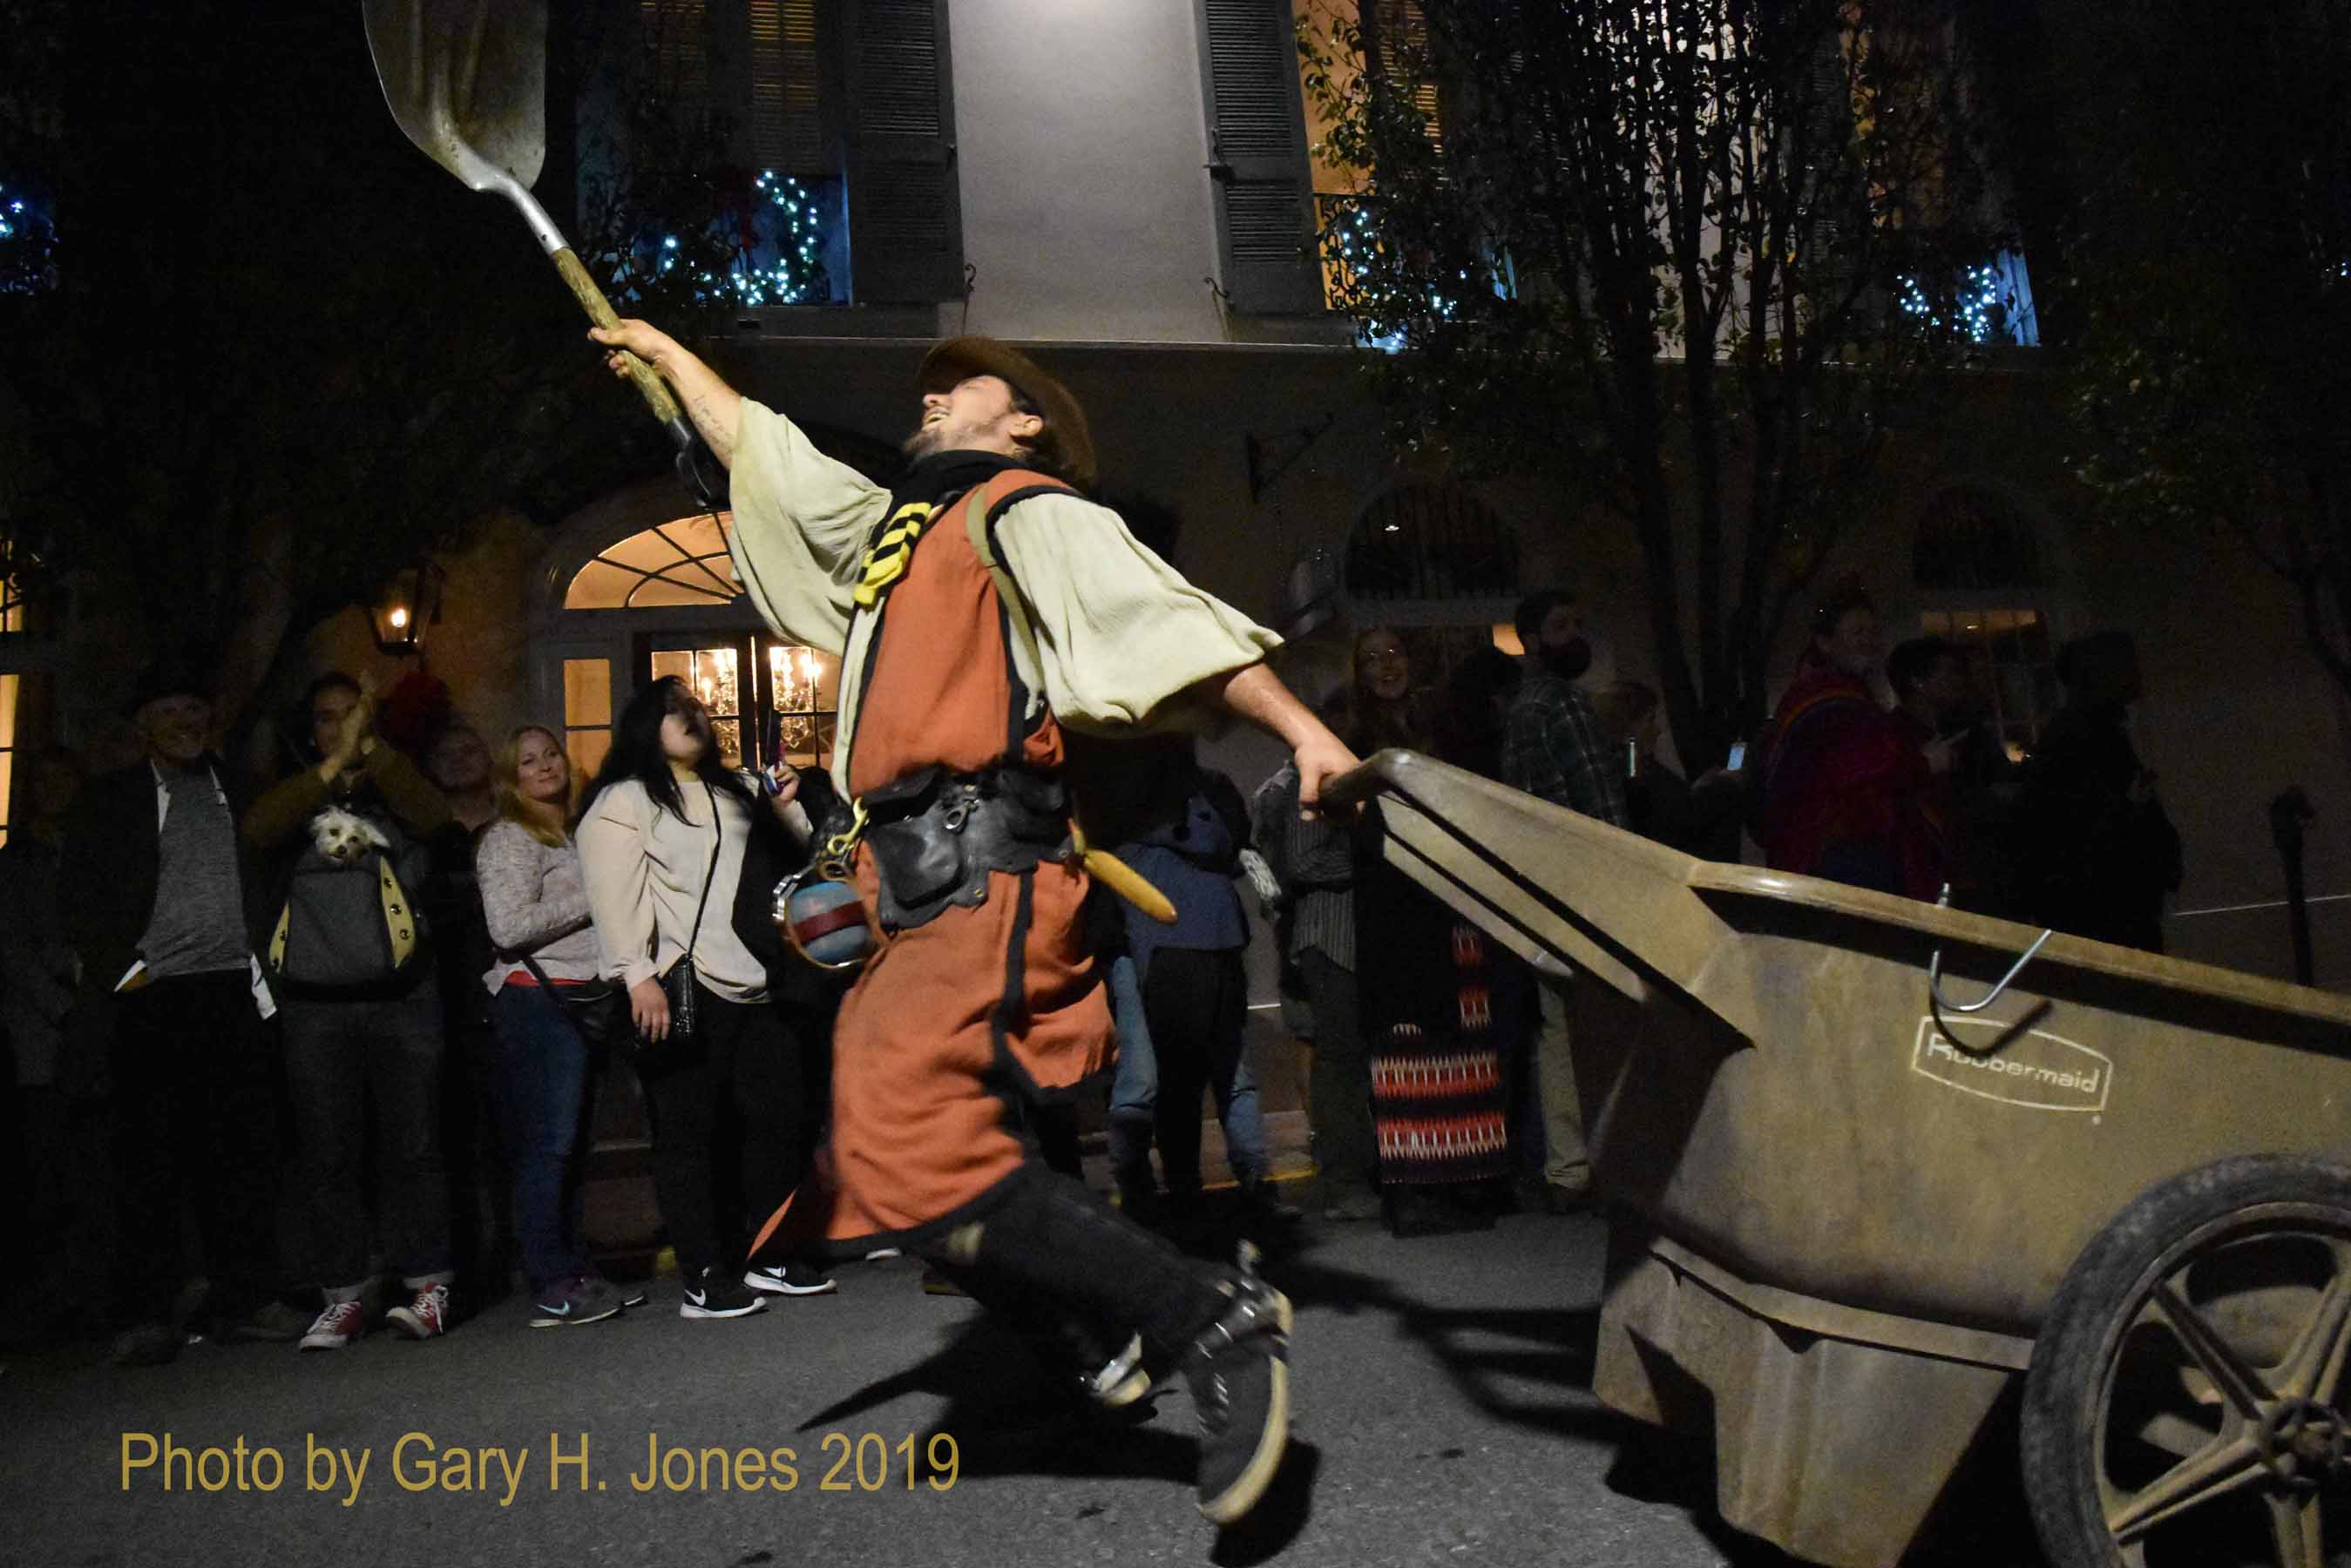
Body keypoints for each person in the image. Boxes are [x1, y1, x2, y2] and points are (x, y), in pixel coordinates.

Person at [586, 314, 1355, 1524]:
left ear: (1025, 418)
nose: (931, 399)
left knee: (902, 1133)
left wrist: (1305, 732)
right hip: (908, 888)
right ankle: (1099, 1332)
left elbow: (1162, 622)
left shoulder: (1022, 508)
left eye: (960, 386)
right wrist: (674, 373)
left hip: (981, 869)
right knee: (877, 1163)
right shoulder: (904, 534)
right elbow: (772, 458)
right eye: (928, 390)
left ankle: (1207, 1315)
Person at [61, 668, 306, 1366]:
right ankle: (144, 1311)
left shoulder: (244, 792)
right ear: (143, 726)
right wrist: (126, 973)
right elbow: (77, 898)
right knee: (147, 1164)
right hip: (151, 999)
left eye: (195, 706)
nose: (185, 720)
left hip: (233, 992)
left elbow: (279, 869)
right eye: (168, 709)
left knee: (243, 1157)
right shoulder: (109, 801)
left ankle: (248, 1299)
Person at [576, 676, 837, 1321]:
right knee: (689, 1136)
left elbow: (804, 856)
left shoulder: (741, 788)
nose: (691, 715)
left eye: (695, 705)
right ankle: (704, 1274)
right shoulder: (625, 800)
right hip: (683, 984)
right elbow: (613, 895)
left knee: (778, 1121)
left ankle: (769, 1257)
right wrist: (637, 974)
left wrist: (790, 804)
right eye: (672, 709)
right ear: (645, 727)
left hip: (761, 981)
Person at [244, 672, 460, 1349]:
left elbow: (434, 820)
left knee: (417, 1146)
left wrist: (377, 754)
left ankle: (430, 1288)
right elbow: (257, 832)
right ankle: (342, 1295)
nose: (345, 727)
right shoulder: (292, 795)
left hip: (404, 997)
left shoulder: (396, 785)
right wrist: (331, 768)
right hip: (313, 1004)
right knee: (327, 1152)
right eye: (331, 718)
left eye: (355, 716)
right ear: (313, 731)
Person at [476, 726, 633, 1328]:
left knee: (572, 1146)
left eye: (550, 755)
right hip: (538, 1005)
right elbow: (509, 928)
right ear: (510, 778)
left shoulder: (571, 832)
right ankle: (550, 1281)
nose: (544, 767)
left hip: (583, 1001)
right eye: (528, 761)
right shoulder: (510, 838)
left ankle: (574, 1268)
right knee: (549, 1146)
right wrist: (595, 896)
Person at [1110, 741, 1276, 1222]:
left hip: (1193, 939)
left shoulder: (1191, 789)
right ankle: (1205, 1187)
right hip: (1175, 941)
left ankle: (1202, 1188)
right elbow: (1221, 842)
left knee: (1213, 1074)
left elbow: (1228, 841)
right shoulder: (1146, 792)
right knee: (1189, 1077)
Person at [1501, 590, 1627, 1213]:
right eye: (1560, 625)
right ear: (1531, 638)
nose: (1573, 633)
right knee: (1600, 1027)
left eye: (1577, 620)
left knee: (1556, 1033)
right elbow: (1599, 801)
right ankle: (1606, 1163)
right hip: (1587, 882)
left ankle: (1567, 1168)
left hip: (1542, 885)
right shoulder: (1565, 705)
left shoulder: (1522, 709)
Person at [1752, 584, 1953, 900]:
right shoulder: (1822, 697)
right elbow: (1856, 769)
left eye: (1874, 631)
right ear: (1825, 642)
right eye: (1857, 631)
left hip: (1847, 848)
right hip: (1835, 854)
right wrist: (1925, 763)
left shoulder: (1850, 693)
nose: (1869, 641)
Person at [0, 747, 100, 1342]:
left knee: (95, 1165)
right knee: (46, 1170)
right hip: (42, 1034)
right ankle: (50, 1302)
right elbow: (10, 949)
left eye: (67, 778)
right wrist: (63, 999)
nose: (56, 789)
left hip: (96, 1025)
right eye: (45, 780)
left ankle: (94, 1293)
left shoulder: (93, 852)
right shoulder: (15, 866)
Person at [2012, 631, 2182, 952]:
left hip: (2110, 899)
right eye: (2125, 665)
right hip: (2104, 903)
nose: (2136, 673)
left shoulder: (2092, 731)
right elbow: (2077, 828)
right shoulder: (2083, 736)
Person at [422, 720, 513, 1305]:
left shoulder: (514, 822)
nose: (459, 757)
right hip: (440, 999)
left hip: (509, 994)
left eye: (469, 747)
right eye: (446, 750)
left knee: (514, 1135)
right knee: (453, 1141)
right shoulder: (422, 832)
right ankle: (469, 1266)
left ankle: (519, 1254)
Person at [1589, 680, 1745, 860]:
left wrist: (1700, 787)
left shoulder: (1632, 761)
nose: (1657, 730)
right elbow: (1670, 819)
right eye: (1649, 720)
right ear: (1626, 725)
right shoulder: (1629, 765)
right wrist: (1723, 785)